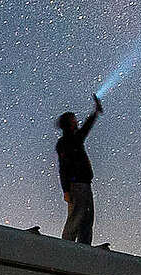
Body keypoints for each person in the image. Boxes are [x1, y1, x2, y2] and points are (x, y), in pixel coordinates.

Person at [57, 94, 103, 244]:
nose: (77, 121)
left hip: (84, 184)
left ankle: (84, 250)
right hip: (77, 185)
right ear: (69, 124)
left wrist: (95, 113)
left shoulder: (73, 139)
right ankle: (66, 247)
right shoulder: (67, 141)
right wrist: (66, 190)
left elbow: (84, 130)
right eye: (74, 119)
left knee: (86, 220)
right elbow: (63, 168)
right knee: (76, 218)